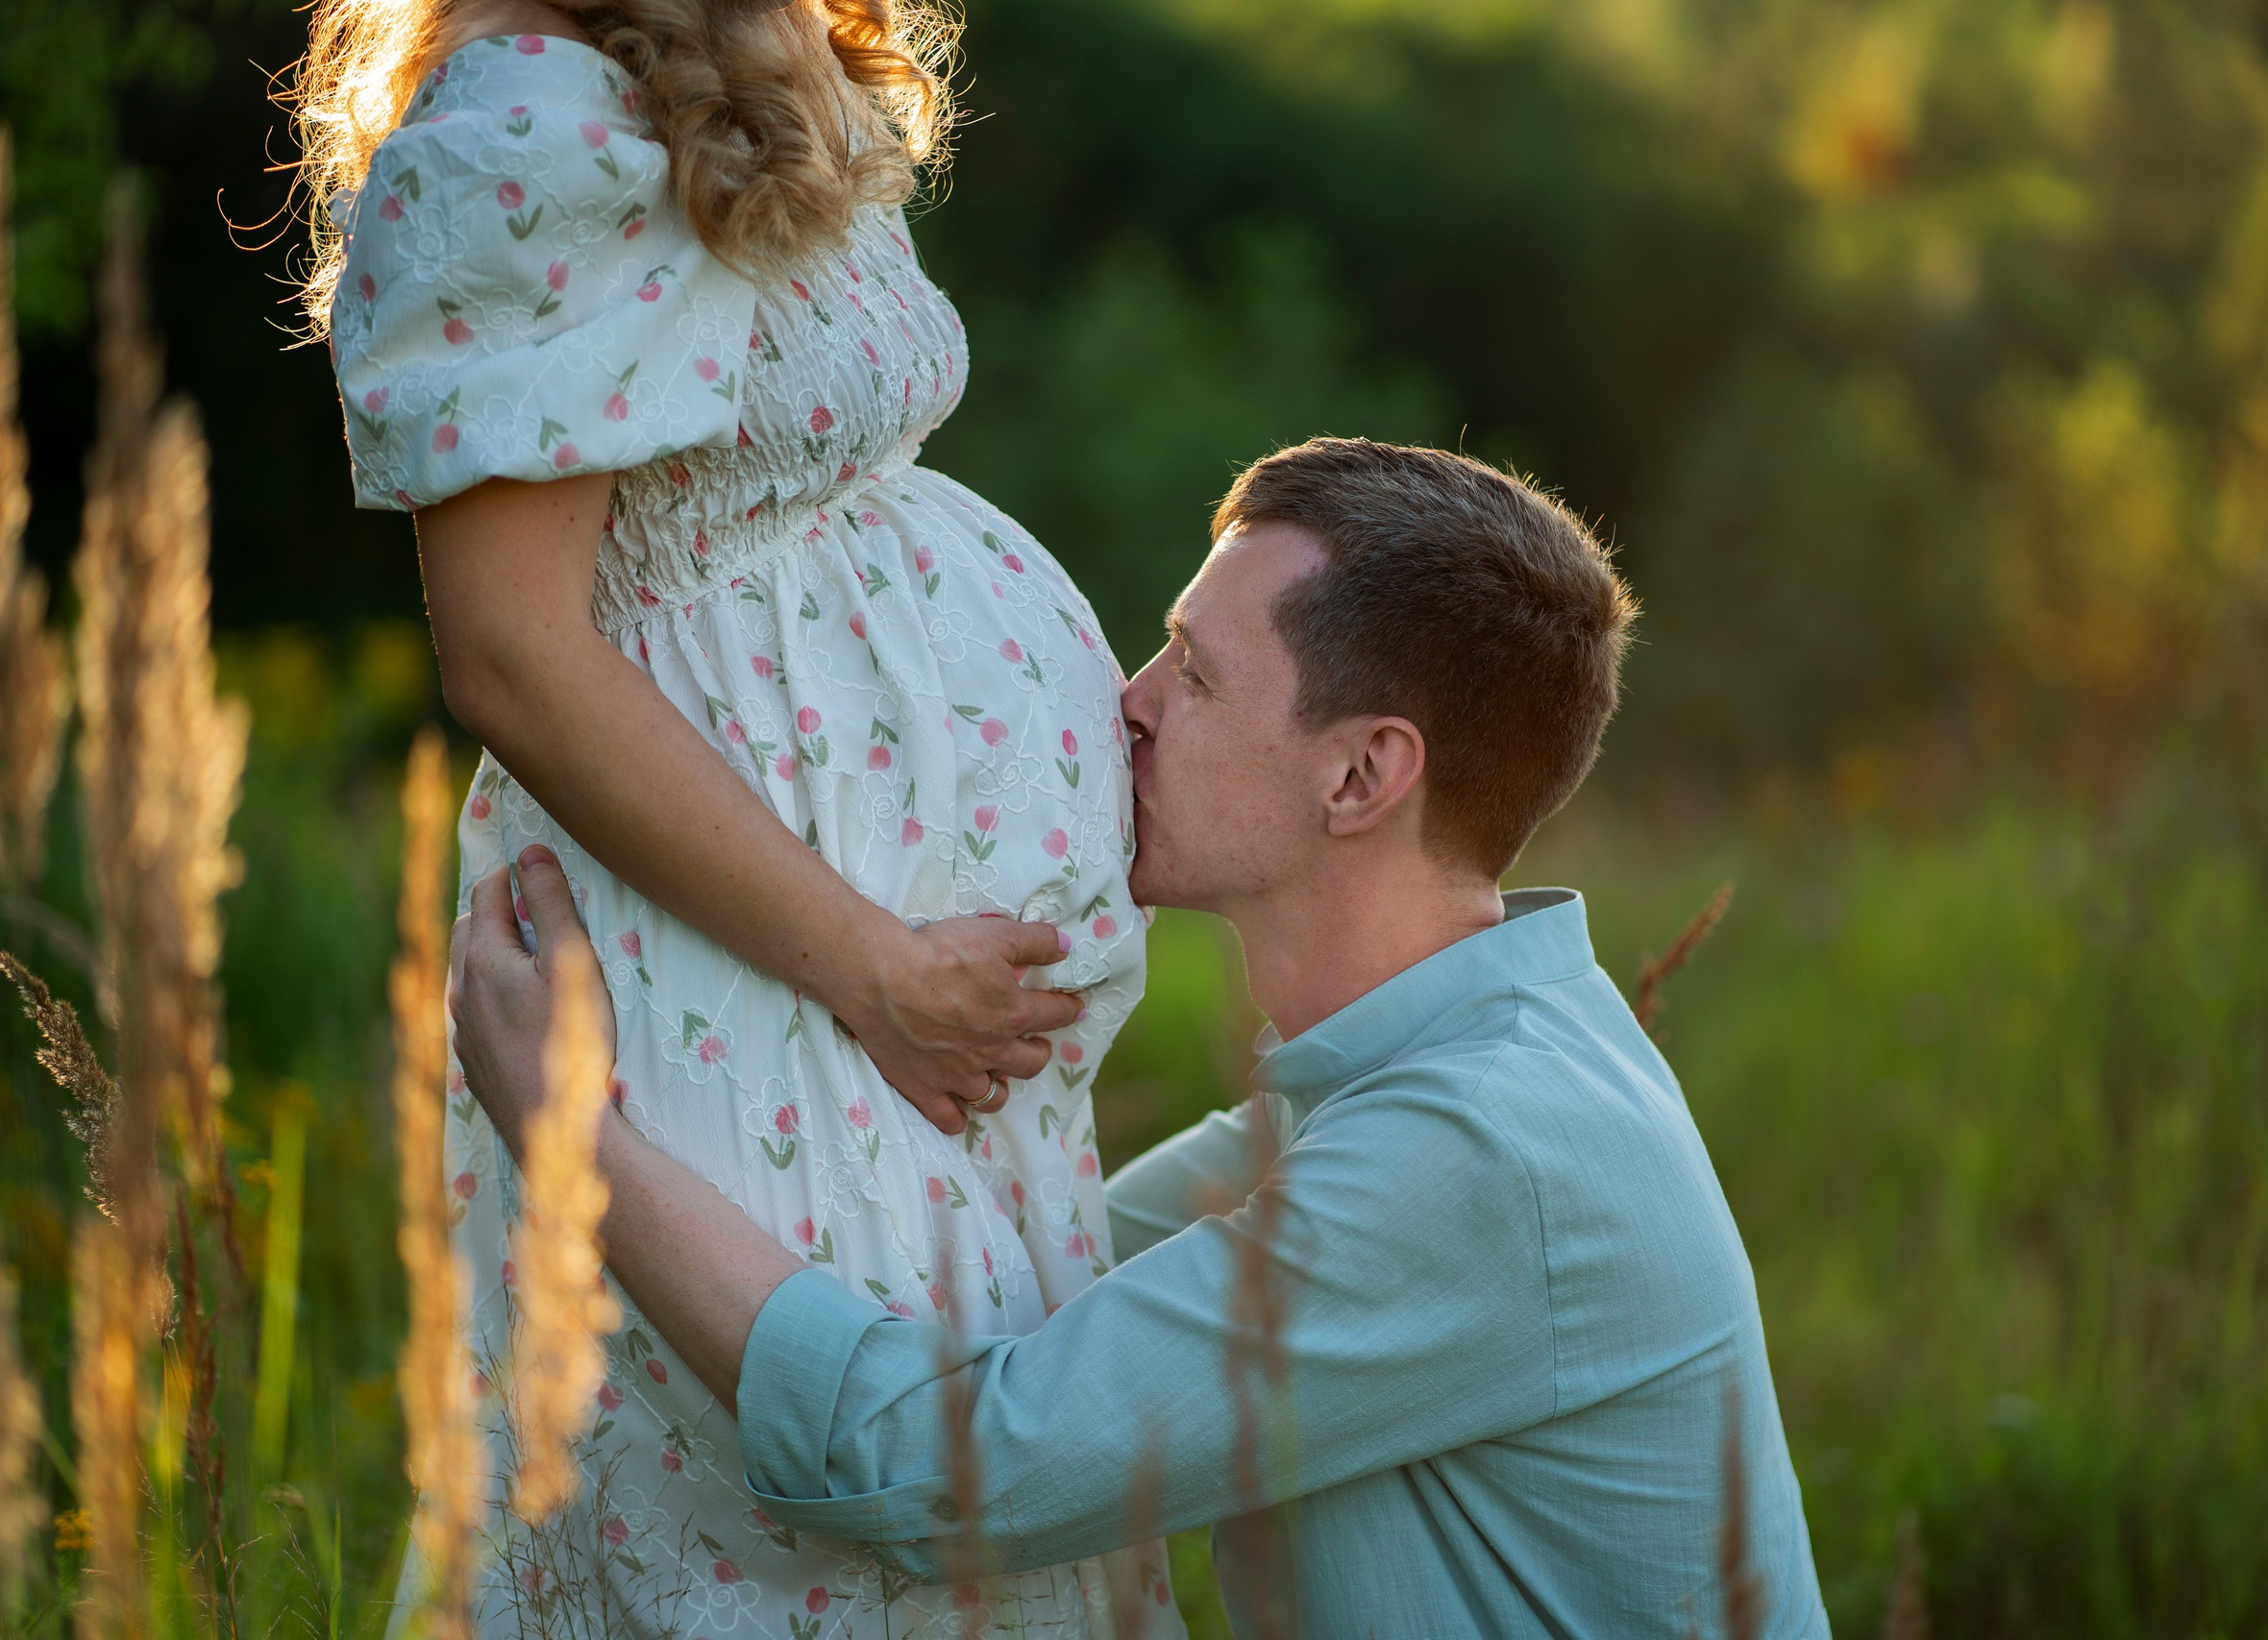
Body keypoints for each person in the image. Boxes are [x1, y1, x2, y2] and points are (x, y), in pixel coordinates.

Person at [452, 440, 1835, 1637]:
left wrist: (572, 1135)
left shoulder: (1482, 1154)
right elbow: (1022, 1306)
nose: (1132, 696)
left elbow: (947, 1471)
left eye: (1199, 670)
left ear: (1361, 774)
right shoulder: (1428, 1088)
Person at [295, 0, 1176, 1630]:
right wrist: (877, 972)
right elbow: (511, 654)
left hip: (887, 997)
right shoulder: (528, 119)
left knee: (967, 1477)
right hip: (764, 976)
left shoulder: (751, 45)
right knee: (807, 1529)